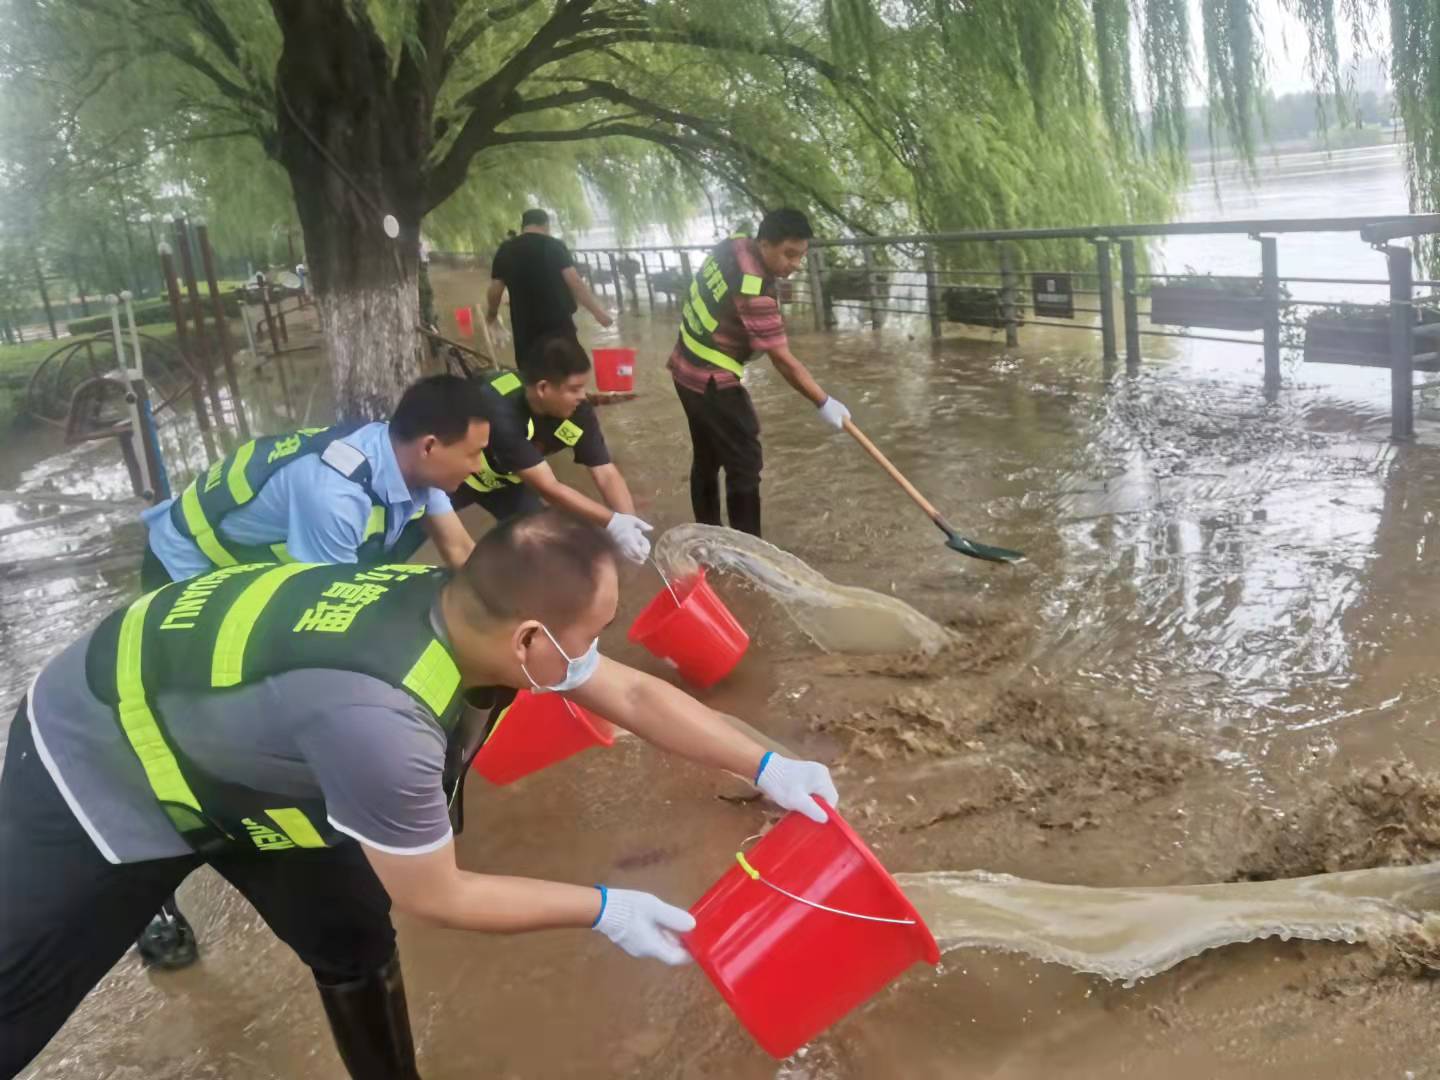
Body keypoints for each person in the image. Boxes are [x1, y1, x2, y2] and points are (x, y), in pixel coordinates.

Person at [0, 510, 839, 1079]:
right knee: (17, 1004)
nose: (594, 654)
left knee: (353, 938)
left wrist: (768, 767)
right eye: (586, 637)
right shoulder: (383, 723)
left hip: (253, 762)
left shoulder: (453, 604)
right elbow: (440, 892)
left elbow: (634, 696)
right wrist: (606, 907)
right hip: (99, 752)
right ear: (529, 638)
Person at [129, 373, 488, 967]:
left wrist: (520, 626)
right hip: (184, 571)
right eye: (473, 454)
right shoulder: (336, 495)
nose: (478, 469)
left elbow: (461, 557)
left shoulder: (410, 467)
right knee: (184, 740)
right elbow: (323, 631)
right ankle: (155, 900)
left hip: (255, 572)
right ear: (430, 445)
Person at [669, 208, 851, 538]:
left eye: (801, 256)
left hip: (683, 365)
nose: (795, 265)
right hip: (712, 379)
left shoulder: (733, 245)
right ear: (765, 244)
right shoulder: (754, 288)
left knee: (707, 456)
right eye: (789, 254)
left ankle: (709, 535)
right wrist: (823, 402)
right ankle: (749, 550)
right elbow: (783, 360)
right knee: (745, 464)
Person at [451, 334, 652, 564]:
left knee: (544, 546)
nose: (582, 396)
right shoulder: (500, 409)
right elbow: (549, 488)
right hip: (456, 475)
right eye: (574, 389)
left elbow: (605, 471)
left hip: (509, 481)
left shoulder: (578, 412)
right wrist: (612, 522)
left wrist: (630, 524)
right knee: (411, 526)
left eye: (583, 387)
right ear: (543, 388)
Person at [486, 209, 612, 373]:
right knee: (568, 370)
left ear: (523, 226)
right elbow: (575, 282)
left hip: (524, 325)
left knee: (532, 372)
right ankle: (569, 397)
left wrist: (492, 315)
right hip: (557, 322)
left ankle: (538, 397)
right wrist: (598, 313)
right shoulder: (554, 245)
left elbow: (495, 290)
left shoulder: (506, 249)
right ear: (546, 225)